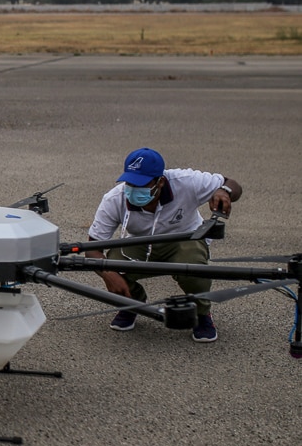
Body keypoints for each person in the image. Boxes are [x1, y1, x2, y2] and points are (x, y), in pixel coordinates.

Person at [85, 147, 242, 343]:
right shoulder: (114, 199)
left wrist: (224, 191)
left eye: (141, 184)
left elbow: (232, 184)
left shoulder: (186, 181)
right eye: (130, 182)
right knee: (113, 263)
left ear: (160, 181)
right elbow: (92, 248)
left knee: (192, 264)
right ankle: (131, 304)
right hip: (142, 244)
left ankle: (202, 313)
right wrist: (108, 274)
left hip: (185, 241)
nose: (133, 188)